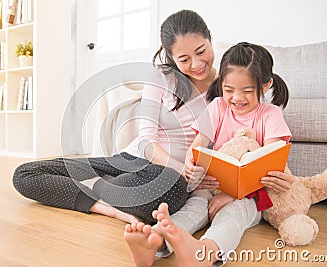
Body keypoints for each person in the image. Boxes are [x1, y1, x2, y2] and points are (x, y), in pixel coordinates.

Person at [12, 10, 216, 230]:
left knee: (169, 192)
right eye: (184, 59)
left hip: (167, 179)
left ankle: (98, 188)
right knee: (24, 174)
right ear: (171, 58)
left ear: (210, 39)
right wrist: (182, 170)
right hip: (135, 160)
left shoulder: (231, 85)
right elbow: (147, 140)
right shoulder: (161, 78)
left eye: (201, 51)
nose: (196, 64)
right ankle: (104, 204)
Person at [124, 42, 296, 267]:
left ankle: (207, 251)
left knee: (233, 214)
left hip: (251, 196)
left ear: (265, 86)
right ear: (220, 85)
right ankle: (156, 241)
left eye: (246, 91)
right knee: (194, 206)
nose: (236, 98)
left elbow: (266, 163)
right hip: (212, 185)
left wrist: (234, 195)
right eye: (228, 90)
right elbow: (198, 146)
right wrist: (190, 164)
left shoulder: (270, 115)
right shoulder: (217, 107)